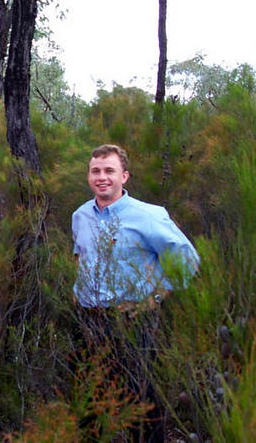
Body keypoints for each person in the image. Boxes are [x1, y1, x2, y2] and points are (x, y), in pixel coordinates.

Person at [72, 144, 199, 442]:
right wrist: (77, 292)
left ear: (124, 176)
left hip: (131, 324)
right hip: (89, 322)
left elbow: (188, 260)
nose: (102, 177)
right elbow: (80, 255)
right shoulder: (80, 216)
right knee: (90, 404)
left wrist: (154, 298)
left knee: (141, 406)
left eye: (109, 171)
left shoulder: (148, 215)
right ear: (89, 176)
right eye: (96, 171)